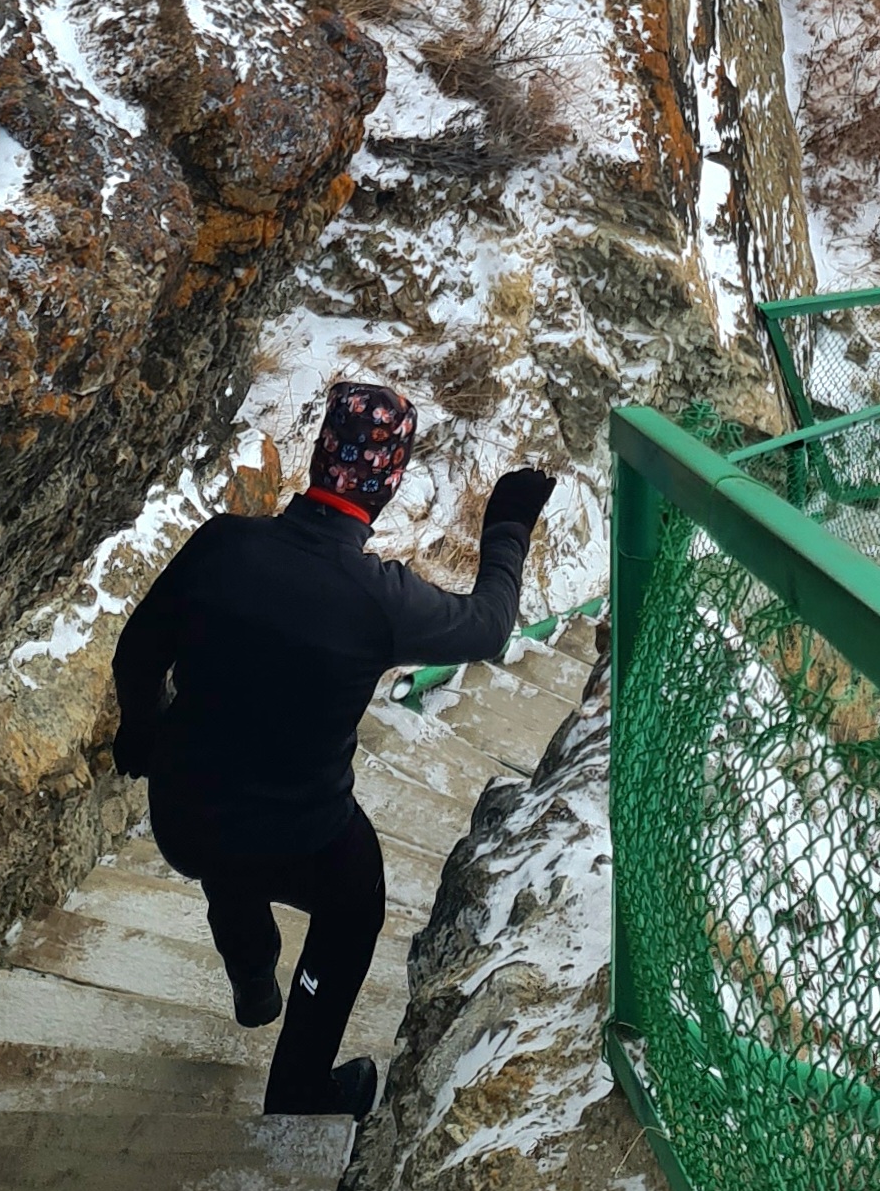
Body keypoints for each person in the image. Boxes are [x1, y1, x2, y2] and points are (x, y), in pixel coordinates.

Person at [109, 380, 557, 1116]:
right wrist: (507, 525)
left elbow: (136, 655)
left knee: (226, 849)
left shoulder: (222, 545)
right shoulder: (379, 601)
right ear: (389, 485)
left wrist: (142, 731)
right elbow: (488, 625)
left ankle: (253, 979)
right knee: (353, 904)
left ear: (319, 459)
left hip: (184, 815)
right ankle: (298, 1087)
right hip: (298, 832)